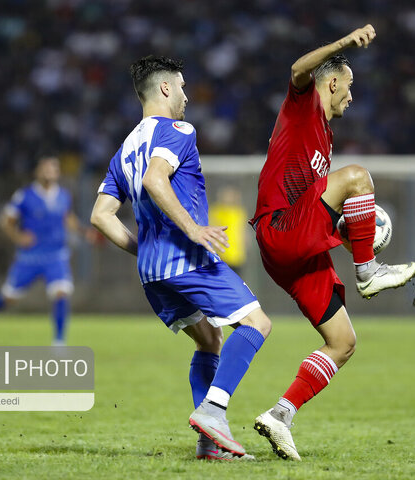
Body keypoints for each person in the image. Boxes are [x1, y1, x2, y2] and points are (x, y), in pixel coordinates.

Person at [90, 55, 272, 461]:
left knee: (209, 338)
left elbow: (100, 216)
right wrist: (193, 230)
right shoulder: (177, 129)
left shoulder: (124, 149)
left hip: (151, 271)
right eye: (183, 87)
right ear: (166, 89)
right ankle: (213, 411)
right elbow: (156, 179)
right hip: (187, 258)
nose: (187, 96)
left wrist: (144, 248)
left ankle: (209, 445)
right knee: (257, 322)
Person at [249, 26, 415, 461]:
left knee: (343, 341)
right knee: (358, 175)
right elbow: (297, 68)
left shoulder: (324, 135)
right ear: (333, 81)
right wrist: (344, 44)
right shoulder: (302, 105)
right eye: (349, 87)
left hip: (294, 250)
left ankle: (280, 415)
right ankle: (368, 272)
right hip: (279, 226)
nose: (351, 97)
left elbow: (320, 211)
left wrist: (350, 234)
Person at [0, 156, 86, 346]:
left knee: (61, 293)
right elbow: (5, 220)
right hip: (30, 256)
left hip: (56, 255)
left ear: (58, 173)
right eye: (45, 169)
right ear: (37, 172)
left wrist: (83, 231)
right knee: (10, 296)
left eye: (53, 169)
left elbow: (68, 218)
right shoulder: (25, 195)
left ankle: (59, 341)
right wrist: (18, 237)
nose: (49, 172)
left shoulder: (63, 196)